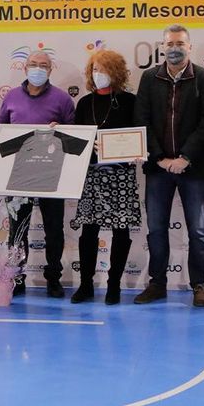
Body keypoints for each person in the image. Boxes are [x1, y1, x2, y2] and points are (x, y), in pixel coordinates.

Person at [133, 24, 204, 307]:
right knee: (156, 229)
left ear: (190, 46)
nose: (174, 48)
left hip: (192, 169)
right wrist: (160, 158)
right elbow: (141, 119)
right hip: (158, 169)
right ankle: (157, 284)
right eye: (169, 44)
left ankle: (199, 285)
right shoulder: (148, 78)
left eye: (179, 43)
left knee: (198, 231)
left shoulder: (203, 77)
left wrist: (185, 158)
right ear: (162, 47)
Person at [0, 50, 76, 298]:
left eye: (43, 65)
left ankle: (53, 278)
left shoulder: (62, 99)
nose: (37, 69)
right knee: (17, 230)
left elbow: (75, 134)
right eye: (33, 64)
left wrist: (60, 130)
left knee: (54, 229)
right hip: (18, 175)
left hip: (52, 175)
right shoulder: (12, 96)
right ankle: (16, 277)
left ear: (50, 70)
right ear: (24, 68)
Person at [69, 50, 140, 305]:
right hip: (91, 175)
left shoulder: (131, 101)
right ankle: (86, 284)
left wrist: (130, 150)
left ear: (117, 73)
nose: (98, 74)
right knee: (89, 230)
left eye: (104, 69)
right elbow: (76, 140)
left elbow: (138, 136)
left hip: (121, 176)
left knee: (121, 231)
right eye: (95, 69)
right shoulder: (84, 103)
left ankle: (114, 286)